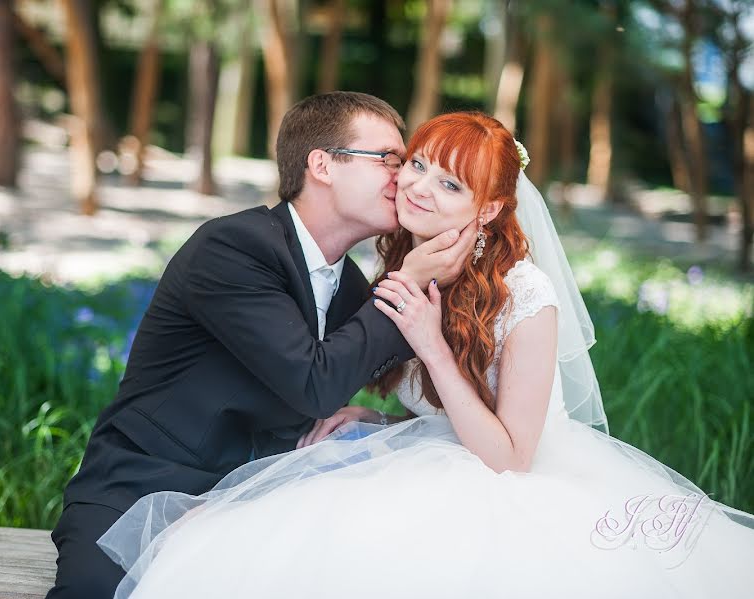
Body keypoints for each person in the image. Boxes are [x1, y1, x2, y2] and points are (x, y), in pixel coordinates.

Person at [99, 112, 754, 599]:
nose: (417, 188)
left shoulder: (526, 293)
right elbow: (358, 385)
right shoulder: (396, 267)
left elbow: (511, 455)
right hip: (421, 461)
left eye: (450, 184)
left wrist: (432, 346)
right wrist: (375, 422)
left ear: (493, 206)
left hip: (509, 490)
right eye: (416, 165)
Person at [46, 92, 477, 599]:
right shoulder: (233, 249)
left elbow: (433, 390)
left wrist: (377, 418)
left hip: (255, 505)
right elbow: (313, 384)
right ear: (322, 164)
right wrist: (407, 280)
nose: (402, 176)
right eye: (388, 158)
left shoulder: (353, 289)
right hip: (143, 491)